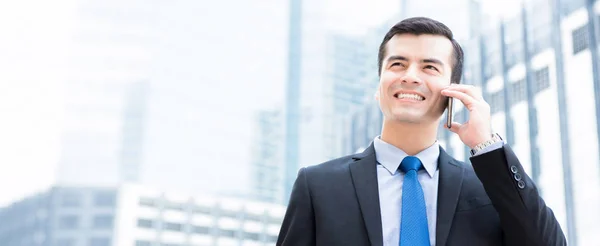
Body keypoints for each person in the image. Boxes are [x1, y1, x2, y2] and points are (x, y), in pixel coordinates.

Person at [276, 17, 566, 246]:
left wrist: (486, 145)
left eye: (429, 67)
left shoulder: (487, 188)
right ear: (379, 87)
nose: (410, 76)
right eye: (397, 64)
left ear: (453, 92)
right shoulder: (317, 186)